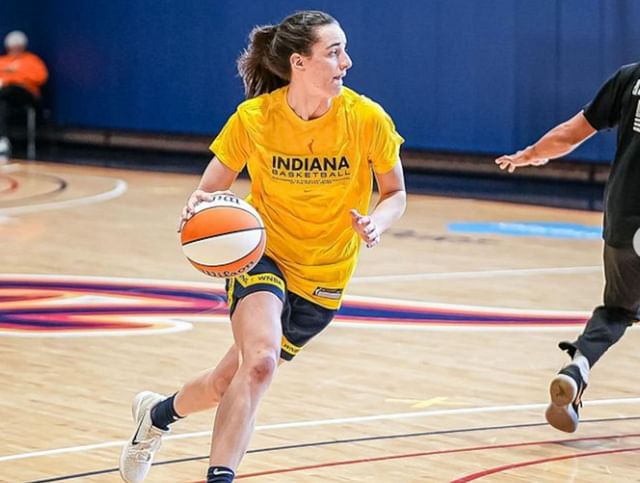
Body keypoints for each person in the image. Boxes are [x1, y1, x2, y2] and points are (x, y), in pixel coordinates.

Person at [119, 10, 406, 483]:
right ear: (298, 62)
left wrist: (377, 222)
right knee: (260, 363)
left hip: (325, 275)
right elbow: (210, 188)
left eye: (344, 51)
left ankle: (156, 416)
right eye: (334, 52)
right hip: (262, 255)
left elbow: (395, 193)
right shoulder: (254, 119)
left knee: (222, 382)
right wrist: (199, 209)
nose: (347, 62)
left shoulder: (366, 118)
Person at [495, 62, 640, 433]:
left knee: (617, 310)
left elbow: (572, 132)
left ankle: (578, 367)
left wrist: (531, 153)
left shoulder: (632, 77)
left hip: (625, 222)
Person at [0, 30, 48, 160]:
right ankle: (2, 140)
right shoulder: (2, 61)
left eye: (18, 46)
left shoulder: (32, 60)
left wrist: (14, 78)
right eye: (12, 46)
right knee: (2, 105)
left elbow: (41, 77)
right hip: (4, 96)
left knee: (9, 90)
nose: (15, 48)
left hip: (25, 94)